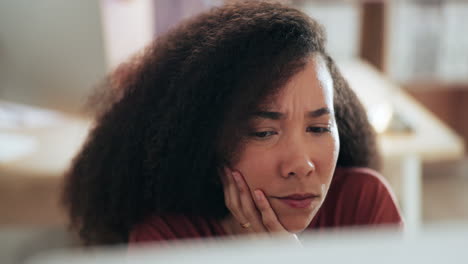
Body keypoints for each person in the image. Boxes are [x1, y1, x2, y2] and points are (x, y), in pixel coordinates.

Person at [62, 1, 402, 246]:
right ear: (206, 141)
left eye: (318, 128)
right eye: (264, 132)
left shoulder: (362, 202)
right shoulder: (165, 241)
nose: (301, 164)